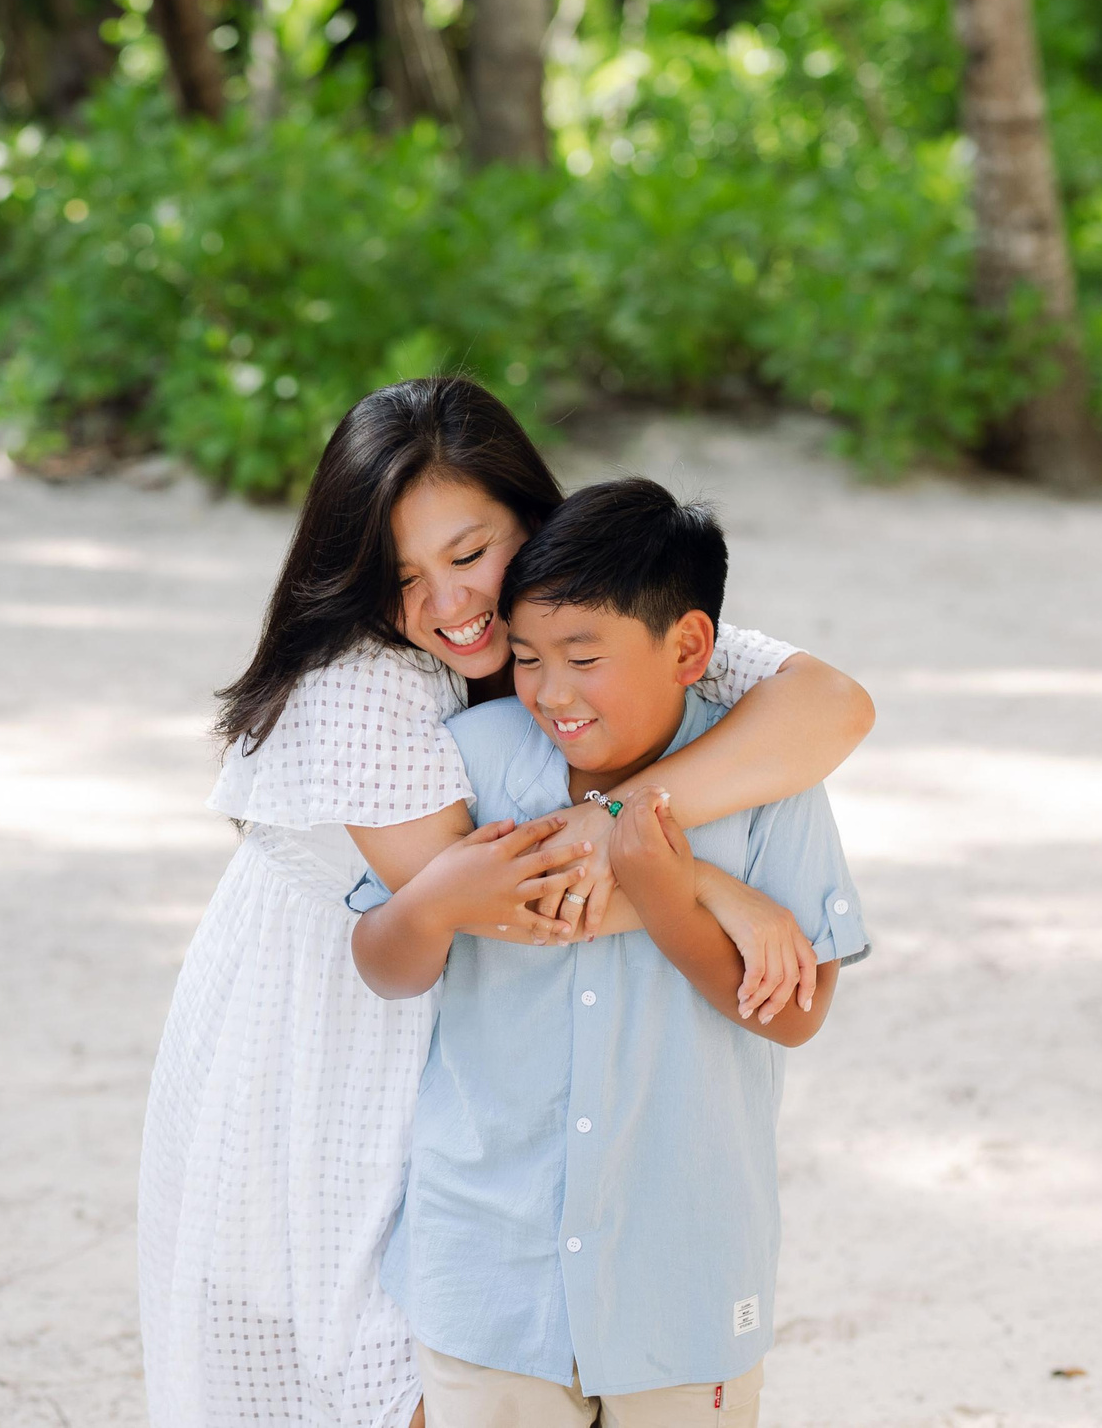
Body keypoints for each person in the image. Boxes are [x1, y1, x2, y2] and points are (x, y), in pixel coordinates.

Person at [138, 377, 872, 1428]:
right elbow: (517, 906)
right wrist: (716, 885)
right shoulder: (369, 686)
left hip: (481, 1035)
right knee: (391, 1370)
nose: (449, 606)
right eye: (405, 577)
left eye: (471, 554)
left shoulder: (582, 613)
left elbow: (828, 704)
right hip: (333, 1033)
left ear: (534, 520)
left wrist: (617, 812)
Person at [348, 477, 868, 1423]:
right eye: (527, 656)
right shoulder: (473, 755)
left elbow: (795, 1014)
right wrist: (432, 904)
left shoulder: (771, 780)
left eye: (582, 657)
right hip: (488, 1261)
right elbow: (383, 960)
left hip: (686, 1267)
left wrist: (669, 894)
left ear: (690, 648)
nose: (549, 691)